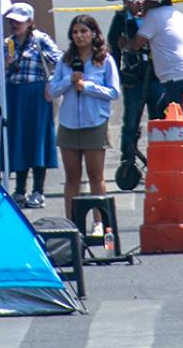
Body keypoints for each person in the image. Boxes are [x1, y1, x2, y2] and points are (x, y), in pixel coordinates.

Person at [48, 15, 119, 228]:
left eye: (84, 31)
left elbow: (114, 92)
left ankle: (99, 223)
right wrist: (68, 80)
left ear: (94, 33)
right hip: (69, 122)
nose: (79, 36)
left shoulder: (105, 60)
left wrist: (87, 86)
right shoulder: (66, 60)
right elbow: (52, 90)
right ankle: (72, 224)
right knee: (72, 176)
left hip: (94, 122)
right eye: (75, 32)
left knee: (95, 174)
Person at [3, 2, 61, 208]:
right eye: (12, 21)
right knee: (18, 140)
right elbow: (0, 72)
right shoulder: (7, 43)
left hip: (36, 94)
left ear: (30, 22)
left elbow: (60, 61)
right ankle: (20, 190)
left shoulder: (40, 40)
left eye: (19, 21)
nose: (14, 25)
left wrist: (51, 83)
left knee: (37, 139)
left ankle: (38, 190)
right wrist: (6, 63)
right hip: (14, 95)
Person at [107, 1, 163, 171]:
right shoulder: (120, 18)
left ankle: (159, 157)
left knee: (158, 118)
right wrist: (115, 76)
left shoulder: (154, 15)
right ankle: (127, 159)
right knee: (131, 121)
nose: (138, 2)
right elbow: (114, 49)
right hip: (133, 78)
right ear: (125, 1)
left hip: (156, 76)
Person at [128, 0, 183, 118]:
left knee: (176, 125)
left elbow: (136, 45)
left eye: (146, 0)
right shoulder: (175, 13)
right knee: (162, 112)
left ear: (155, 1)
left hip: (178, 79)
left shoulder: (154, 15)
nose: (142, 3)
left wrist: (124, 43)